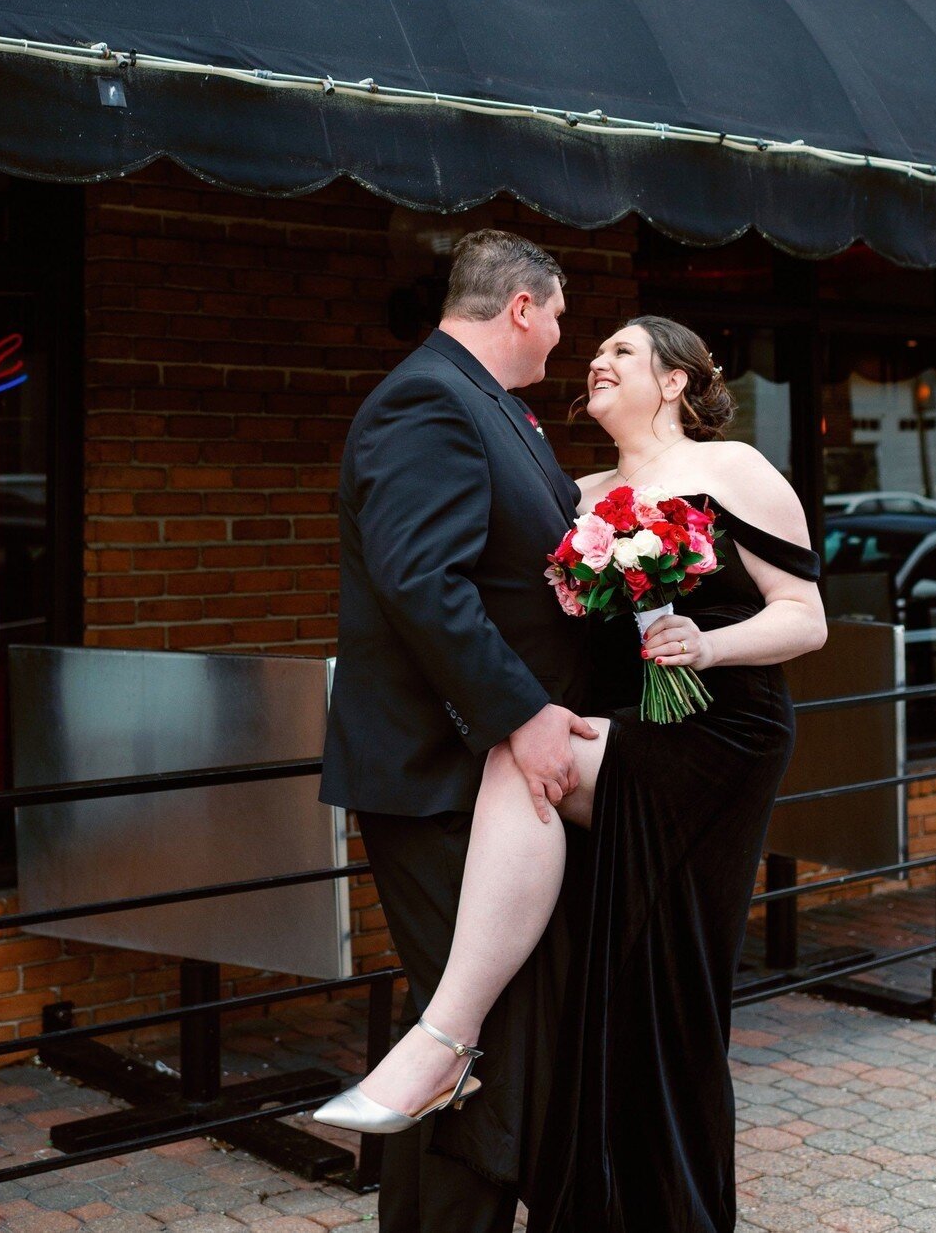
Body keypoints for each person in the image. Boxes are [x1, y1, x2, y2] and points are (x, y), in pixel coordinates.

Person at [317, 314, 827, 1233]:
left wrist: (706, 645)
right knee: (630, 990)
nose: (596, 359)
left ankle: (444, 1039)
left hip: (718, 737)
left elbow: (804, 618)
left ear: (674, 382)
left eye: (622, 352)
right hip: (624, 731)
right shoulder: (576, 492)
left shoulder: (735, 469)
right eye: (592, 350)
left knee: (528, 763)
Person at [317, 228, 599, 1233]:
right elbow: (419, 582)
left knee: (479, 1027)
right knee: (475, 1033)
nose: (563, 339)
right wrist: (521, 714)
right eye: (559, 314)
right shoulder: (425, 399)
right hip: (436, 771)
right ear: (519, 306)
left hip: (489, 776)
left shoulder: (493, 408)